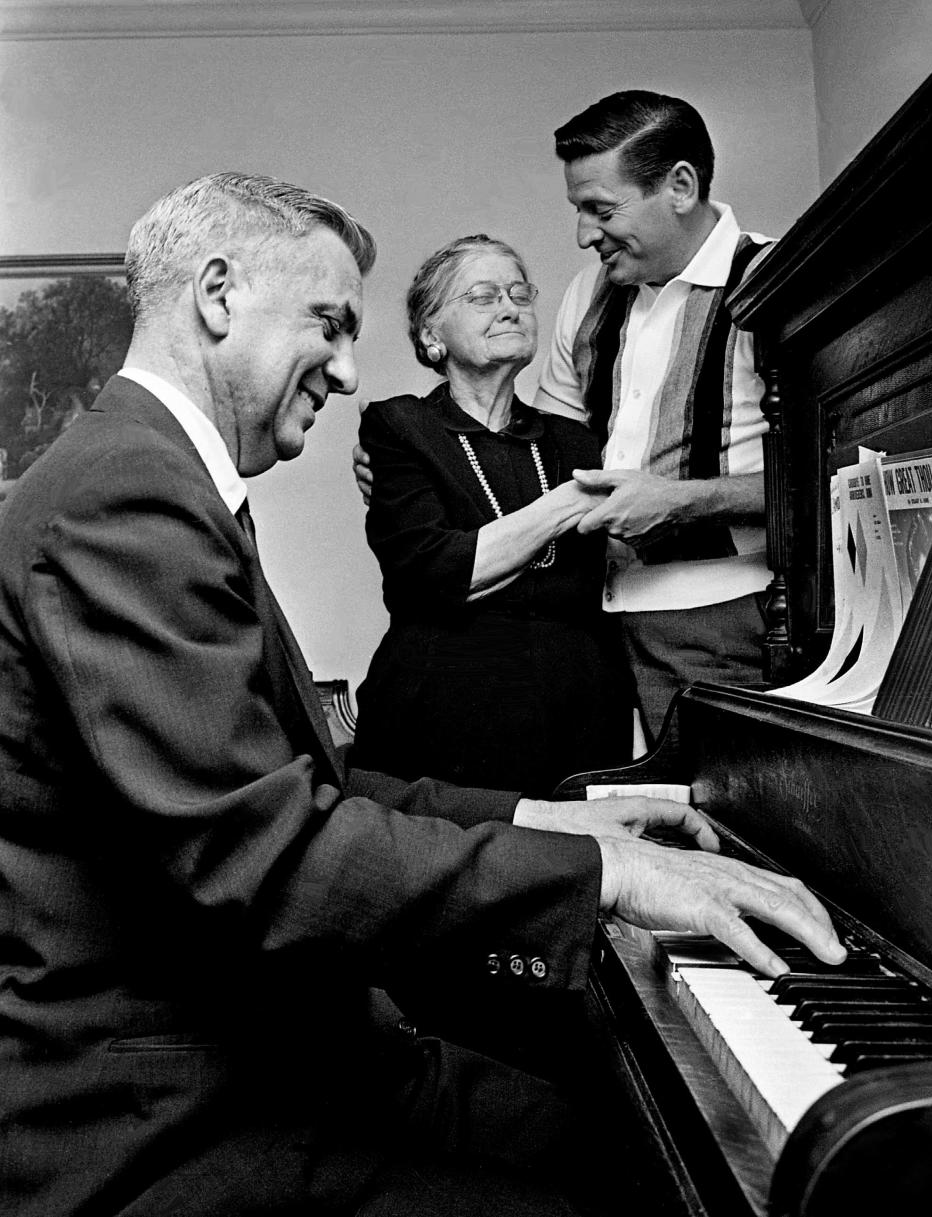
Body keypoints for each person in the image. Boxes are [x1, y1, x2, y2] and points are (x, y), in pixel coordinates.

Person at [0, 171, 845, 1217]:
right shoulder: (125, 493)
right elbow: (264, 857)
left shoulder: (155, 477)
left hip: (287, 1044)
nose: (351, 371)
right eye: (330, 322)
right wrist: (603, 873)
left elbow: (314, 786)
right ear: (218, 295)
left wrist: (551, 814)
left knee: (623, 1137)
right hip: (172, 1103)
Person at [353, 91, 773, 763]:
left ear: (681, 187)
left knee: (715, 822)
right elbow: (554, 449)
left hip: (720, 623)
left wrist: (684, 502)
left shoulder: (773, 283)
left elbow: (831, 483)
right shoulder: (589, 294)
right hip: (602, 631)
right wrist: (411, 464)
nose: (583, 235)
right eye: (578, 210)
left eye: (601, 211)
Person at [349, 234, 634, 795]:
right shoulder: (400, 427)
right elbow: (432, 574)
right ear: (432, 334)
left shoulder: (575, 442)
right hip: (441, 713)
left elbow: (592, 585)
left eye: (519, 293)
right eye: (482, 296)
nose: (510, 308)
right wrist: (567, 506)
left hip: (579, 715)